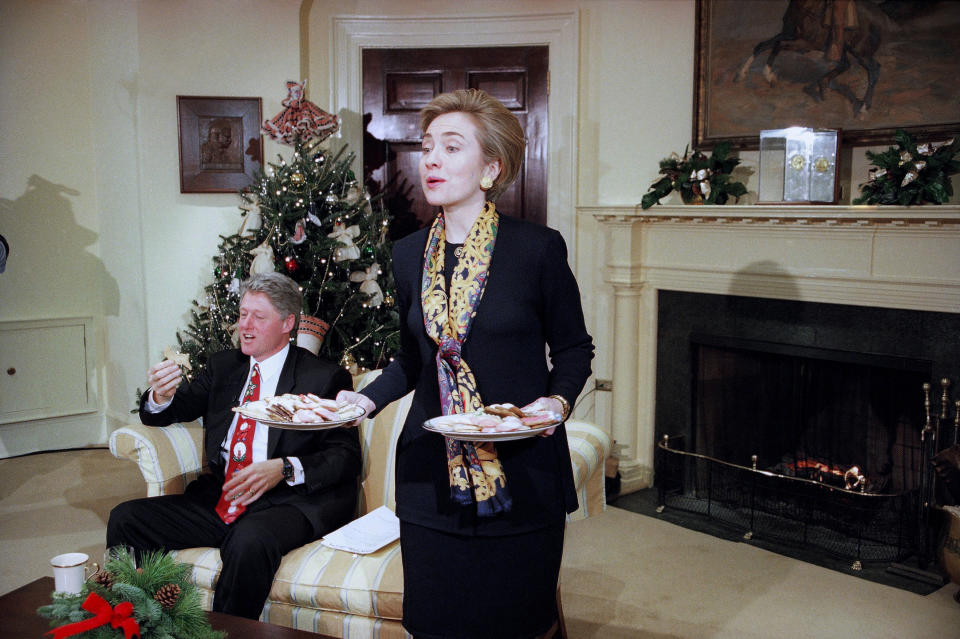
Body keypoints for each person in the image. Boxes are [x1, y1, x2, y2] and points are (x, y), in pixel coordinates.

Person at [338, 89, 594, 639]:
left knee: (518, 624)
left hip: (523, 474)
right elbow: (412, 360)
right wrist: (365, 398)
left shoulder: (537, 250)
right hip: (431, 476)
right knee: (435, 623)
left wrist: (555, 401)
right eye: (428, 146)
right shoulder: (407, 256)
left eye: (452, 148)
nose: (431, 159)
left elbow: (574, 348)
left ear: (491, 168)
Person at [107, 272, 360, 619]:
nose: (246, 325)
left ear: (288, 322)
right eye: (242, 314)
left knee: (249, 540)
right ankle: (133, 620)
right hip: (224, 494)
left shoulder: (323, 377)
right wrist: (160, 396)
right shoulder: (224, 366)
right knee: (126, 519)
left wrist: (284, 468)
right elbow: (168, 412)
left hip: (287, 501)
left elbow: (344, 457)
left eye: (259, 316)